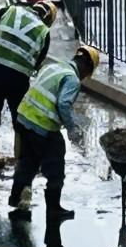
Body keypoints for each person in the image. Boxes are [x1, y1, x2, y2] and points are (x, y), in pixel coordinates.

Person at [8, 45, 100, 221]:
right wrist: (72, 129)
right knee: (56, 166)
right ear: (86, 68)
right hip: (42, 125)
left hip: (24, 118)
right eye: (87, 75)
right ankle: (53, 209)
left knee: (28, 161)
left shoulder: (54, 66)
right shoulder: (72, 79)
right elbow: (63, 104)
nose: (84, 78)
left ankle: (14, 198)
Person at [0, 0, 58, 172]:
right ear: (49, 20)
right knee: (20, 120)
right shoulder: (44, 32)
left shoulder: (9, 11)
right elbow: (37, 62)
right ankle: (19, 163)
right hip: (17, 78)